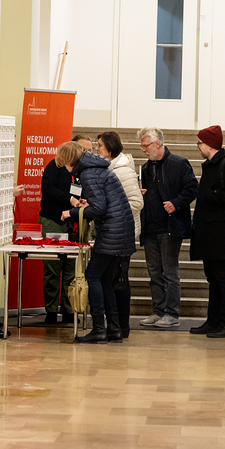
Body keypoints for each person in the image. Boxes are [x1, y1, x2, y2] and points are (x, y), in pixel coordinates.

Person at [58, 141, 136, 344]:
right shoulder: (95, 168)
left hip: (112, 230)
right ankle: (114, 329)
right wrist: (87, 205)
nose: (64, 168)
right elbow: (102, 202)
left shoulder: (88, 173)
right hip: (121, 228)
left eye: (64, 163)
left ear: (69, 160)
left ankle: (99, 329)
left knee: (92, 276)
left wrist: (72, 212)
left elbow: (99, 208)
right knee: (104, 279)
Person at [137, 126, 198, 328]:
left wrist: (176, 203)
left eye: (146, 146)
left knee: (169, 272)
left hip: (170, 227)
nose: (143, 150)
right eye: (142, 146)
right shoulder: (145, 168)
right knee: (154, 273)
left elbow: (192, 188)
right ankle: (158, 311)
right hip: (150, 228)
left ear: (158, 143)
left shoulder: (179, 164)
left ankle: (171, 313)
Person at [189, 125, 225, 338]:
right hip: (209, 232)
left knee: (223, 277)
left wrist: (213, 195)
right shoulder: (212, 166)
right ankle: (213, 321)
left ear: (209, 145)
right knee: (213, 277)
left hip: (221, 233)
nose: (198, 146)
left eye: (200, 143)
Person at [96, 131, 144, 338]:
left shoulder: (122, 171)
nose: (96, 149)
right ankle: (116, 326)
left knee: (118, 281)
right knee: (111, 280)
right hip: (112, 233)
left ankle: (121, 327)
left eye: (100, 146)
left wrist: (107, 210)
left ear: (110, 149)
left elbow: (137, 203)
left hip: (121, 234)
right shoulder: (109, 168)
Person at [38, 147, 81, 324]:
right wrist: (69, 199)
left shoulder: (79, 171)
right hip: (53, 220)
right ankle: (51, 311)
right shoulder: (53, 166)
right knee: (52, 267)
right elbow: (47, 189)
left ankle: (69, 310)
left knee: (71, 269)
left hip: (74, 223)